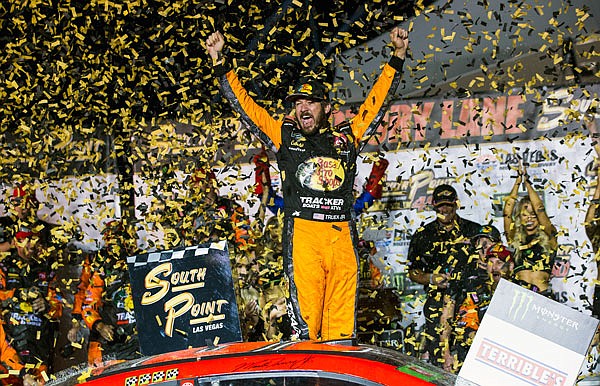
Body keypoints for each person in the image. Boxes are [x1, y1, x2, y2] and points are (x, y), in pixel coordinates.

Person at [206, 27, 408, 341]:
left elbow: (376, 104)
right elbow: (247, 108)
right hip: (304, 235)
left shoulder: (347, 137)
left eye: (311, 101)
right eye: (298, 102)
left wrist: (397, 57)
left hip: (342, 236)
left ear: (326, 107)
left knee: (341, 331)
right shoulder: (284, 136)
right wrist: (221, 63)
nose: (303, 108)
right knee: (308, 329)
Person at [406, 183, 481, 366]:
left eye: (449, 204)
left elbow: (490, 260)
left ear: (456, 204)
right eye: (441, 205)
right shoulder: (423, 235)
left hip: (470, 300)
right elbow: (413, 272)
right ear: (434, 206)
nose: (445, 209)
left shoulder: (473, 230)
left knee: (472, 352)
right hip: (437, 303)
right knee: (439, 354)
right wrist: (431, 278)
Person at [68, 220, 140, 366]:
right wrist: (99, 326)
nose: (115, 245)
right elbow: (86, 301)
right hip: (108, 343)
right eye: (111, 240)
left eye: (120, 239)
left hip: (138, 342)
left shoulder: (141, 262)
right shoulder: (99, 266)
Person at [440, 242, 514, 372]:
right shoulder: (476, 293)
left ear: (511, 266)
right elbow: (464, 327)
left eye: (499, 263)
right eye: (490, 263)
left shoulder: (522, 292)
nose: (494, 268)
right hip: (482, 358)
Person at [0, 229, 63, 381]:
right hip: (9, 344)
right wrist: (15, 294)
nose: (29, 250)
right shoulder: (4, 266)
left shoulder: (47, 268)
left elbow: (59, 305)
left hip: (39, 345)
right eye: (25, 244)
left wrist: (47, 305)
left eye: (33, 244)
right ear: (15, 243)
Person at [503, 164, 557, 296]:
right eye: (525, 215)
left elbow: (539, 208)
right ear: (519, 218)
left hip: (544, 297)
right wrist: (517, 183)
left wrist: (527, 183)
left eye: (533, 215)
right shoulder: (514, 238)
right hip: (519, 297)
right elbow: (507, 212)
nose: (529, 219)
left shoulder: (549, 235)